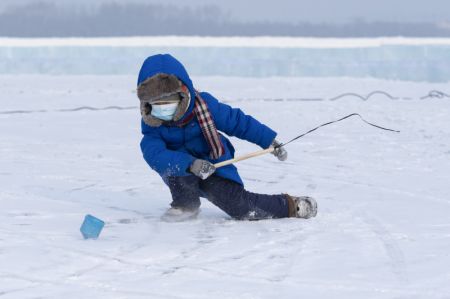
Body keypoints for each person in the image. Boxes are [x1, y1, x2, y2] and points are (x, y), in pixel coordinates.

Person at [137, 54, 317, 221]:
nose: (163, 109)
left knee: (238, 205)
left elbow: (238, 122)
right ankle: (185, 206)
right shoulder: (152, 124)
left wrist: (268, 140)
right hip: (182, 170)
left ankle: (291, 206)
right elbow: (155, 154)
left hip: (214, 164)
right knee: (178, 173)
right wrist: (190, 164)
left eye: (168, 102)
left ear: (183, 94)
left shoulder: (206, 106)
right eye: (157, 104)